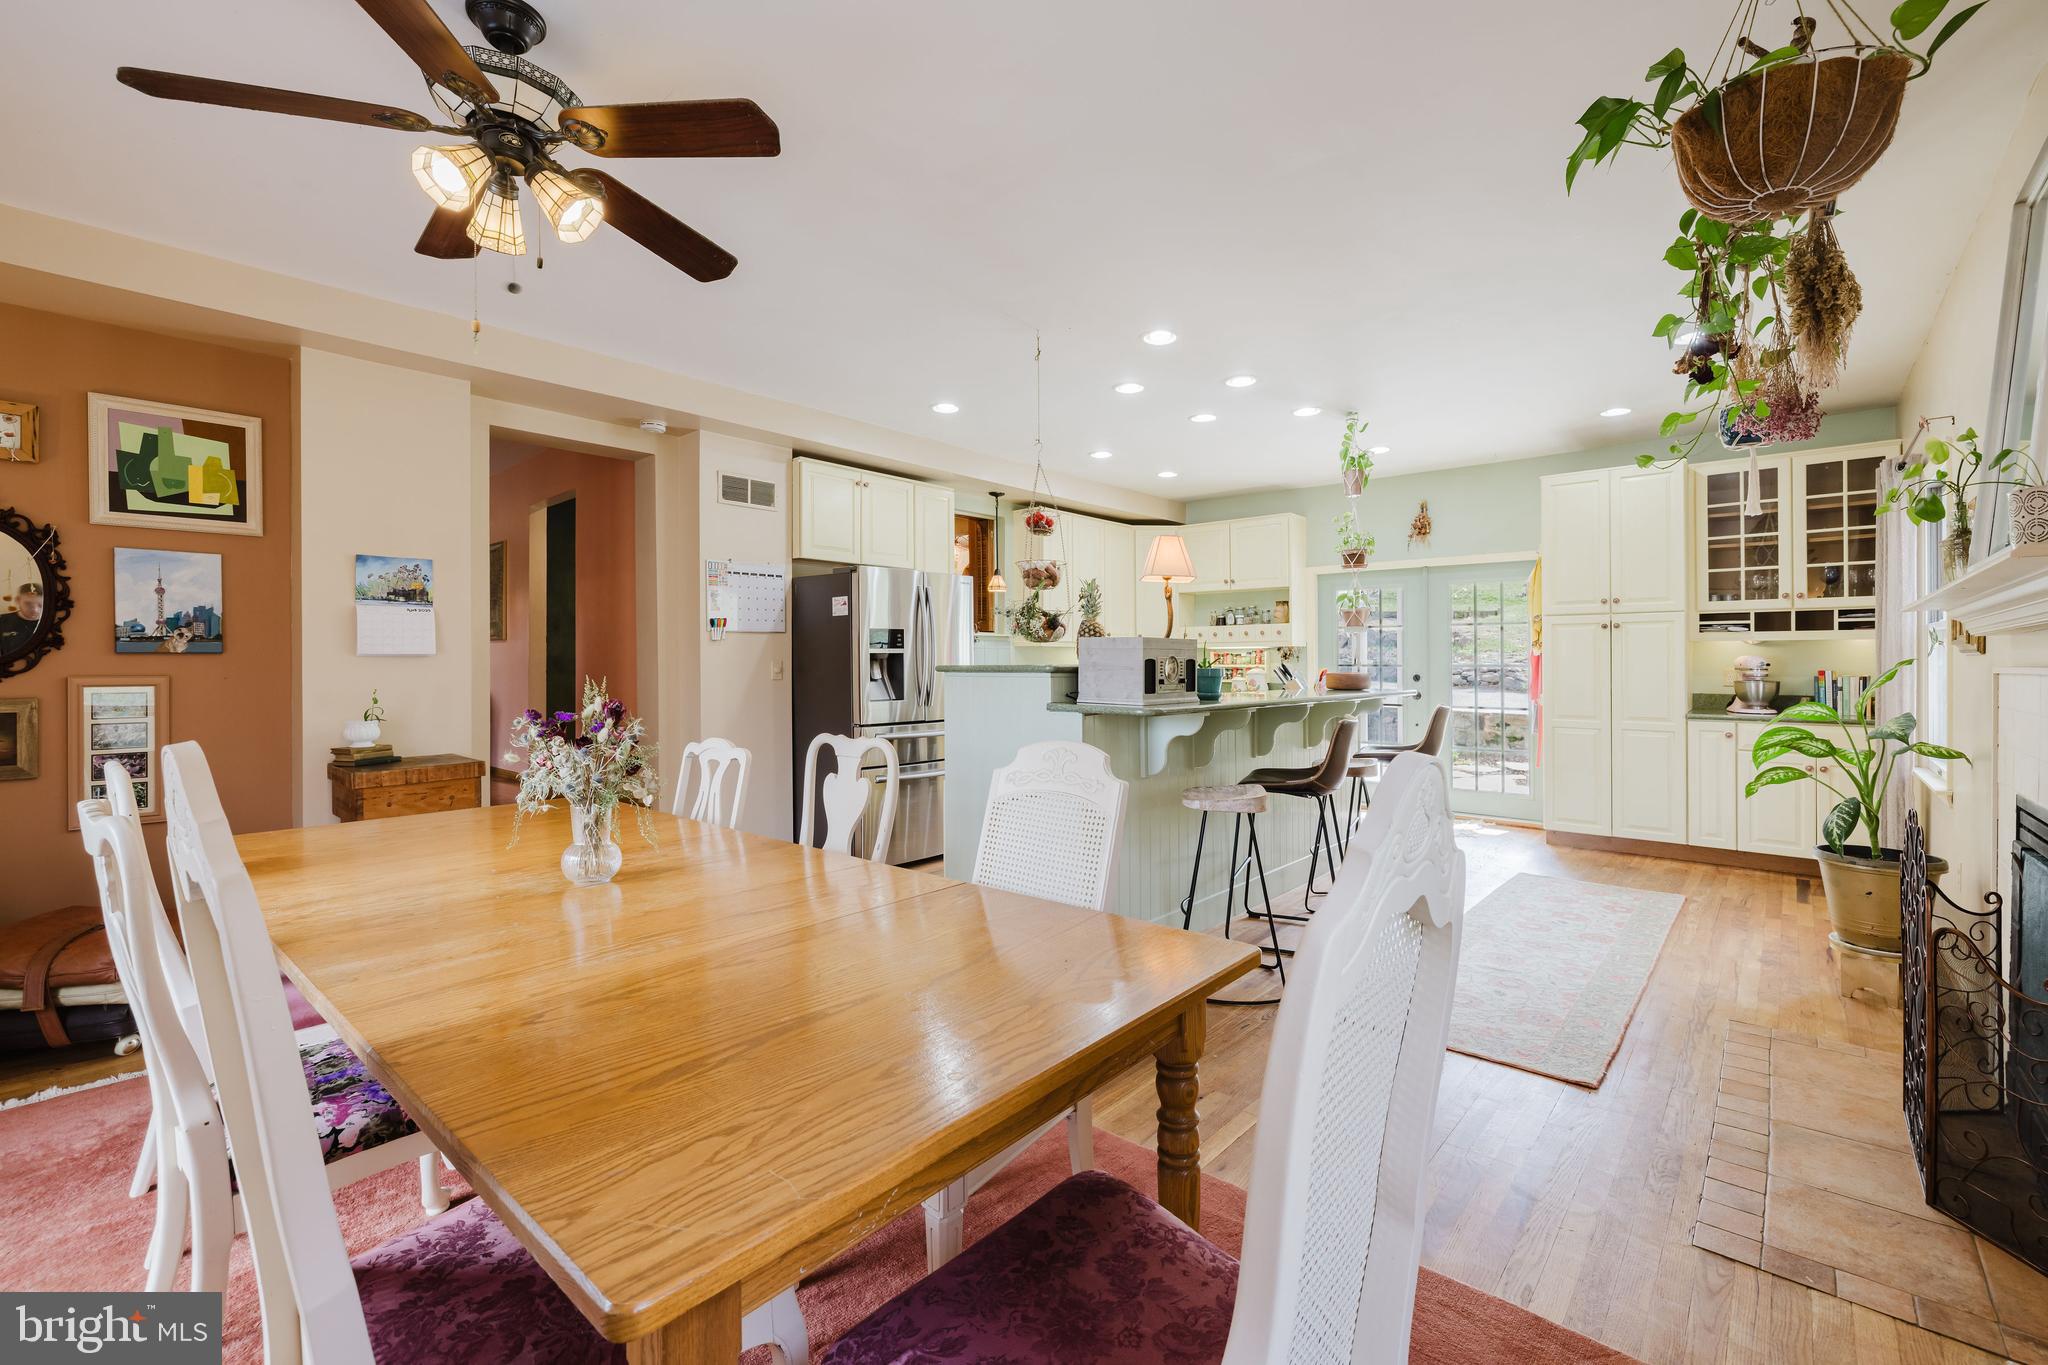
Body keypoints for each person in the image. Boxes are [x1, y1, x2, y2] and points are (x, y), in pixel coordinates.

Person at [0, 583, 43, 654]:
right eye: (28, 604)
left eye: (40, 605)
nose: (35, 610)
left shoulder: (51, 622)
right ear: (17, 600)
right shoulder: (2, 621)